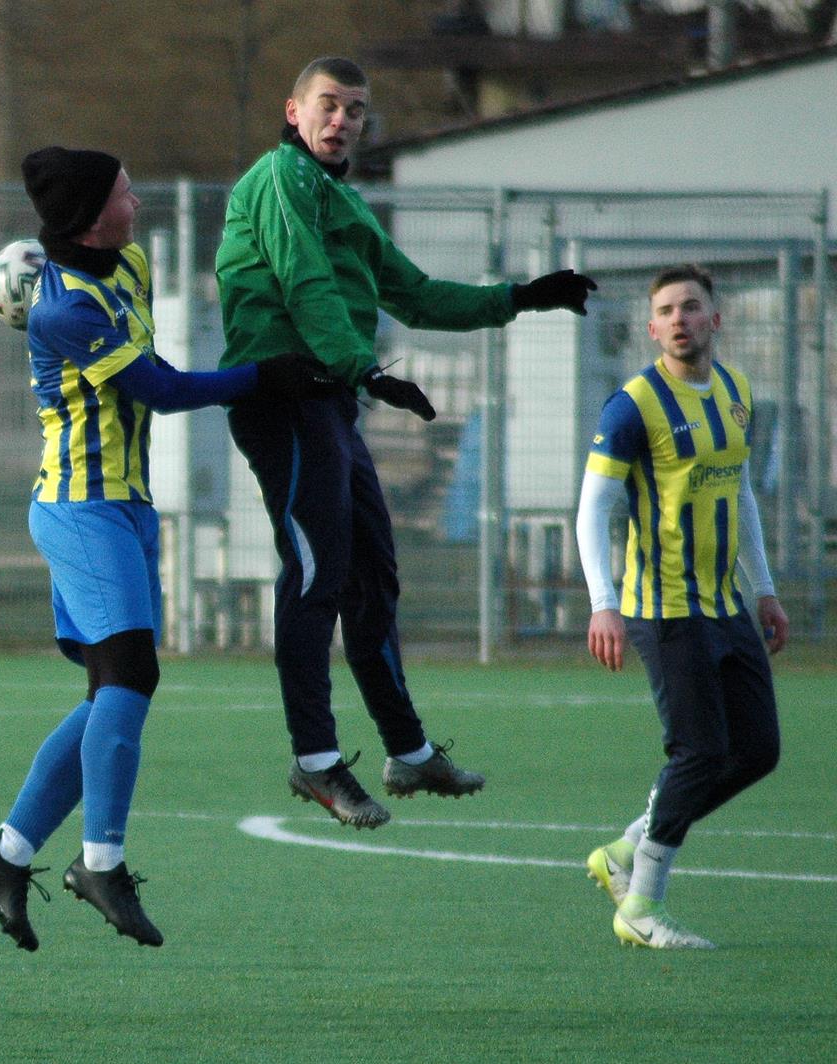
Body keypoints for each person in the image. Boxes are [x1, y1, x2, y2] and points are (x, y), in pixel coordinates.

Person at [215, 55, 598, 829]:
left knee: (374, 580)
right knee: (317, 572)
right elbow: (302, 282)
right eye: (328, 104)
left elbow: (416, 295)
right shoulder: (279, 180)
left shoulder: (342, 199)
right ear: (294, 112)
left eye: (355, 110)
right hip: (285, 395)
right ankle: (315, 760)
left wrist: (519, 298)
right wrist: (365, 369)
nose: (341, 120)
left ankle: (409, 752)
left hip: (328, 401)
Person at [0, 147, 325, 951]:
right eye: (124, 188)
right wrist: (266, 376)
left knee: (108, 692)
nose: (137, 195)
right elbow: (160, 389)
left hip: (124, 509)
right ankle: (100, 864)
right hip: (80, 510)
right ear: (93, 216)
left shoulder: (123, 260)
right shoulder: (63, 311)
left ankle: (8, 851)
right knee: (132, 675)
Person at [577, 264, 786, 949]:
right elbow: (593, 510)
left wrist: (764, 589)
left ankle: (625, 849)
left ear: (714, 320)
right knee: (698, 751)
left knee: (756, 751)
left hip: (726, 604)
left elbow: (743, 494)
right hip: (662, 606)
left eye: (690, 307)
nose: (677, 320)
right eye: (664, 310)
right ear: (651, 326)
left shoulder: (735, 391)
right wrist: (602, 603)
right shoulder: (632, 405)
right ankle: (640, 905)